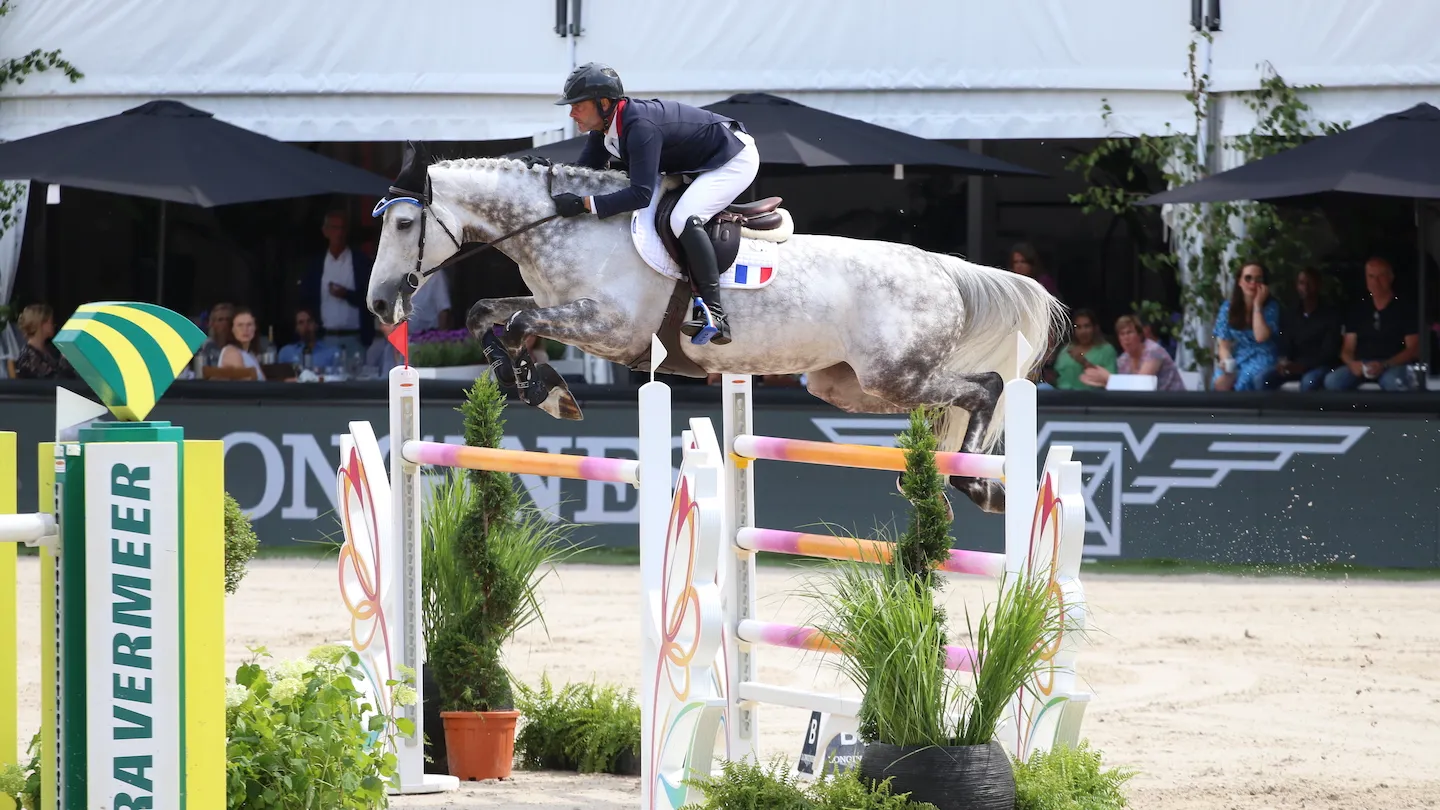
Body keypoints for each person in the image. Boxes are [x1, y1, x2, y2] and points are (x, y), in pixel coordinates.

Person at [549, 62, 761, 345]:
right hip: (700, 162)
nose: (572, 112)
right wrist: (546, 172)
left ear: (603, 103)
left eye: (578, 105)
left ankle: (714, 313)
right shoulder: (605, 128)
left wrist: (585, 204)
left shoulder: (639, 127)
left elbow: (640, 195)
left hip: (732, 158)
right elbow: (584, 172)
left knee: (683, 218)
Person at [1324, 257, 1420, 391]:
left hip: (1393, 365)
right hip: (1363, 365)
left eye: (1381, 276)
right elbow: (1347, 348)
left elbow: (1414, 349)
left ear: (1391, 277)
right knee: (1332, 381)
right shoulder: (1358, 309)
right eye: (1371, 276)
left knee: (1392, 382)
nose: (1376, 282)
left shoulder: (1405, 307)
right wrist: (1352, 364)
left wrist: (1385, 364)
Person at [1261, 267, 1341, 391]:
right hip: (1293, 366)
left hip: (1319, 366)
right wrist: (1283, 361)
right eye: (1301, 283)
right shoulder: (1291, 313)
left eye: (1310, 283)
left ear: (1319, 285)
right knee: (1262, 379)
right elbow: (1285, 343)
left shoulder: (1330, 314)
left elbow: (1328, 353)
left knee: (1308, 382)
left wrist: (1302, 366)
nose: (1305, 287)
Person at [1212, 261, 1280, 391]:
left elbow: (1260, 337)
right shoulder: (1228, 307)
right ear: (1239, 281)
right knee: (1218, 381)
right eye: (1248, 278)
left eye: (1258, 279)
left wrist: (1257, 305)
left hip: (1263, 356)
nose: (1253, 283)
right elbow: (1224, 345)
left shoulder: (1271, 307)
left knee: (1244, 382)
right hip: (1239, 356)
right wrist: (1227, 363)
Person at [1080, 315, 1186, 391]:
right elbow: (1123, 389)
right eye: (1122, 334)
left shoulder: (1154, 351)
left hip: (1175, 406)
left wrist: (1109, 379)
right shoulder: (1123, 360)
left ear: (1140, 335)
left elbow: (1142, 385)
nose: (1126, 338)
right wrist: (1101, 380)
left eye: (1129, 332)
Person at [1049, 309, 1117, 390]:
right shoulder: (1066, 349)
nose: (1083, 331)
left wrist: (1084, 362)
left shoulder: (1106, 350)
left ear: (1095, 328)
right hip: (1062, 394)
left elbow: (1111, 380)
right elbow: (1056, 375)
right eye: (1078, 327)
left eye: (1087, 326)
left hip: (1092, 395)